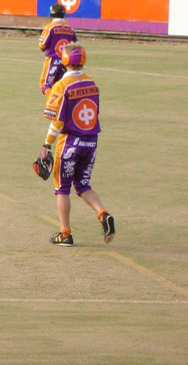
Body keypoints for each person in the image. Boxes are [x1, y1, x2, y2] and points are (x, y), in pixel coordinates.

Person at [39, 43, 115, 246]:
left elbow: (57, 122)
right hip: (91, 142)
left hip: (70, 143)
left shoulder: (62, 86)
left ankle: (65, 233)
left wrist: (46, 145)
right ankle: (103, 213)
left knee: (62, 189)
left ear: (65, 61)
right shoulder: (92, 83)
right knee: (82, 184)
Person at [38, 3, 77, 95]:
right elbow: (75, 46)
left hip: (52, 61)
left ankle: (53, 103)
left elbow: (42, 45)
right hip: (66, 62)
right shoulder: (70, 29)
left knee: (45, 85)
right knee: (63, 86)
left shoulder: (49, 28)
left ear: (51, 15)